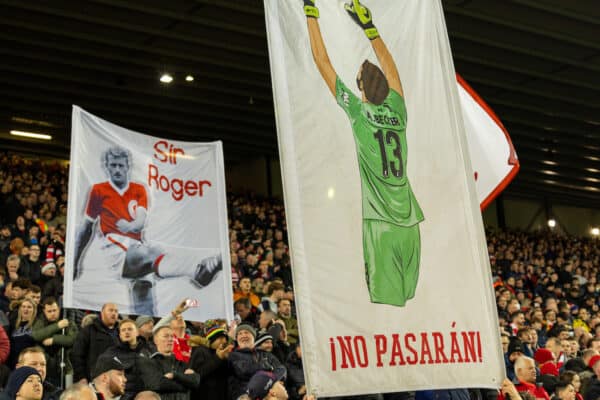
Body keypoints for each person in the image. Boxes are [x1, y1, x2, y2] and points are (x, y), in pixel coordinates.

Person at [304, 0, 424, 306]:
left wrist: (311, 12)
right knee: (411, 309)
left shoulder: (358, 112)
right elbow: (392, 69)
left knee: (386, 317)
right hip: (410, 225)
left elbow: (322, 62)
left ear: (361, 90)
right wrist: (370, 28)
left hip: (380, 225)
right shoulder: (399, 109)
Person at [72, 146, 223, 314]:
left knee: (145, 300)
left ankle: (147, 333)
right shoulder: (98, 190)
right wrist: (74, 262)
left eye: (121, 165)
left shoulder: (138, 189)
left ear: (128, 167)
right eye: (113, 165)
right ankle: (197, 270)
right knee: (151, 253)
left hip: (136, 244)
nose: (117, 170)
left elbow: (140, 220)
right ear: (106, 166)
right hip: (114, 244)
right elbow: (85, 229)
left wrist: (131, 226)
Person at [138, 325, 200, 400]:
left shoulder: (182, 362)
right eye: (166, 336)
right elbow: (157, 384)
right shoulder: (148, 361)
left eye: (172, 336)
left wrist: (174, 375)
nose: (170, 339)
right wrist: (186, 385)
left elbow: (196, 381)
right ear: (155, 340)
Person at [229, 324, 286, 400]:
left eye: (246, 332)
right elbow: (244, 371)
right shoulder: (233, 356)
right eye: (240, 334)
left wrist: (272, 379)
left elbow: (282, 369)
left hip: (268, 392)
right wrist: (268, 369)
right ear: (237, 339)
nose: (243, 335)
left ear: (253, 337)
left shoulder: (265, 354)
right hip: (245, 395)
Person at [31, 297, 77, 387]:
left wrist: (53, 340)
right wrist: (58, 326)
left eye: (54, 310)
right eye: (49, 311)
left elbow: (72, 339)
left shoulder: (67, 320)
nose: (53, 313)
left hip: (65, 362)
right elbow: (36, 335)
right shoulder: (40, 320)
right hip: (46, 362)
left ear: (59, 309)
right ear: (44, 311)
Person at [71, 302, 120, 384]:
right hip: (93, 380)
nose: (114, 313)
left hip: (115, 382)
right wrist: (81, 377)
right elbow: (77, 355)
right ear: (102, 313)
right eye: (110, 310)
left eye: (116, 311)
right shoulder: (89, 330)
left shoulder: (121, 332)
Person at [189, 326, 233, 400]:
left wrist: (227, 360)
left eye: (225, 338)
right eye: (221, 338)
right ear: (212, 339)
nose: (224, 341)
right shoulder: (200, 351)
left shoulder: (223, 354)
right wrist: (217, 358)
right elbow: (197, 374)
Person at [8, 299, 37, 369]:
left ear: (34, 310)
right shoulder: (13, 325)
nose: (25, 309)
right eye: (23, 306)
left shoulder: (36, 325)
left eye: (29, 307)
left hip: (27, 363)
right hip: (12, 364)